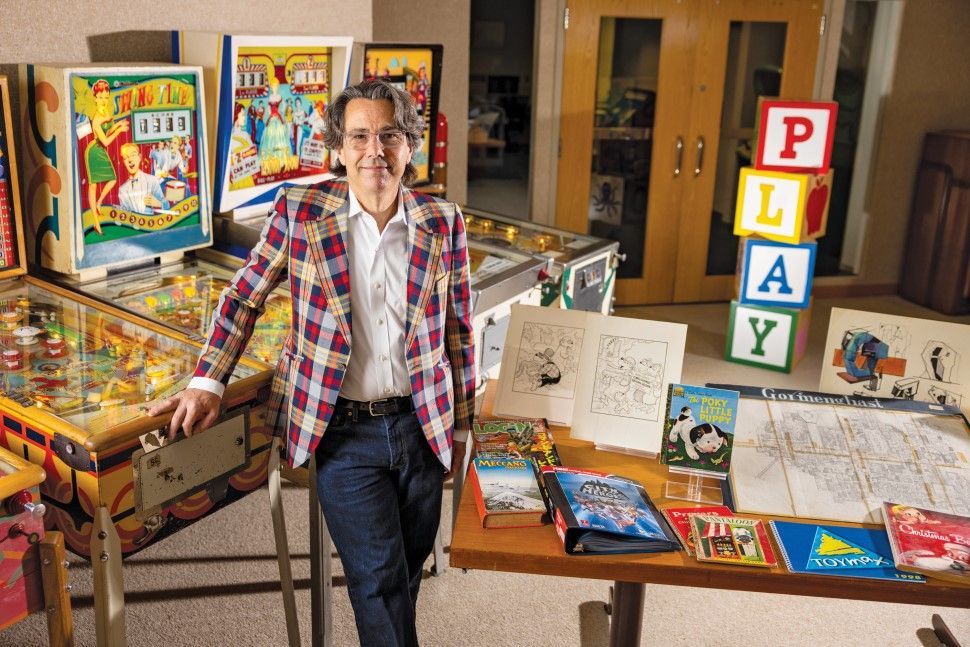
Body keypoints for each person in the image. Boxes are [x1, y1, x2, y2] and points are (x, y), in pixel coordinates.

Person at [147, 79, 475, 647]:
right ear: (338, 149)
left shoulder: (442, 221)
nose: (375, 150)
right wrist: (208, 380)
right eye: (359, 136)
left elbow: (458, 332)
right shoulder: (299, 213)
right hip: (343, 433)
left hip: (424, 427)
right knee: (377, 583)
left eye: (389, 135)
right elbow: (244, 297)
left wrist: (465, 430)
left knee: (402, 574)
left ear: (410, 146)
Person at [117, 143, 168, 214]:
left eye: (133, 155)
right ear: (123, 162)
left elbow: (167, 206)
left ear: (140, 157)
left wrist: (158, 204)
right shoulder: (122, 190)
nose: (130, 160)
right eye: (126, 157)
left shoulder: (152, 180)